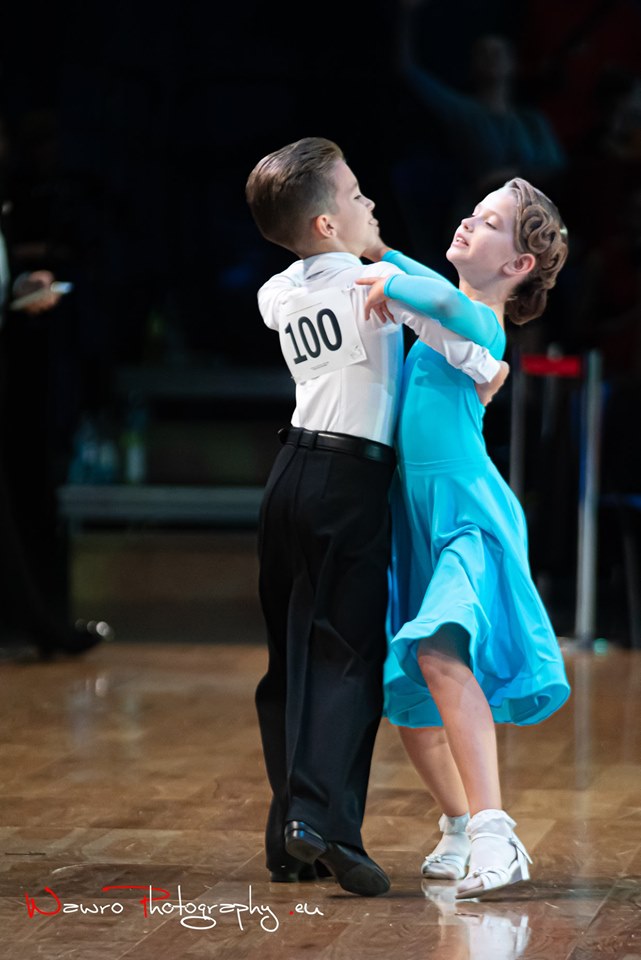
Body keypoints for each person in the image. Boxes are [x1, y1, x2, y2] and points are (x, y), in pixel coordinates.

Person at [244, 136, 510, 897]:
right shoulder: (381, 286)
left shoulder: (276, 293)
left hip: (286, 475)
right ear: (328, 222)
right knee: (345, 656)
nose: (370, 204)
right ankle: (323, 824)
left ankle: (289, 838)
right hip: (347, 481)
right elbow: (464, 343)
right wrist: (488, 367)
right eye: (357, 194)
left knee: (290, 659)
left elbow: (287, 297)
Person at [355, 176, 571, 898]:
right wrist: (376, 252)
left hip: (466, 513)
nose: (467, 223)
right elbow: (416, 277)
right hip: (415, 516)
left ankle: (493, 833)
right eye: (472, 212)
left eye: (489, 223)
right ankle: (455, 824)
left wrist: (387, 277)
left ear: (517, 266)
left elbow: (440, 302)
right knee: (409, 686)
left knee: (438, 650)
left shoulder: (481, 322)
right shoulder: (446, 304)